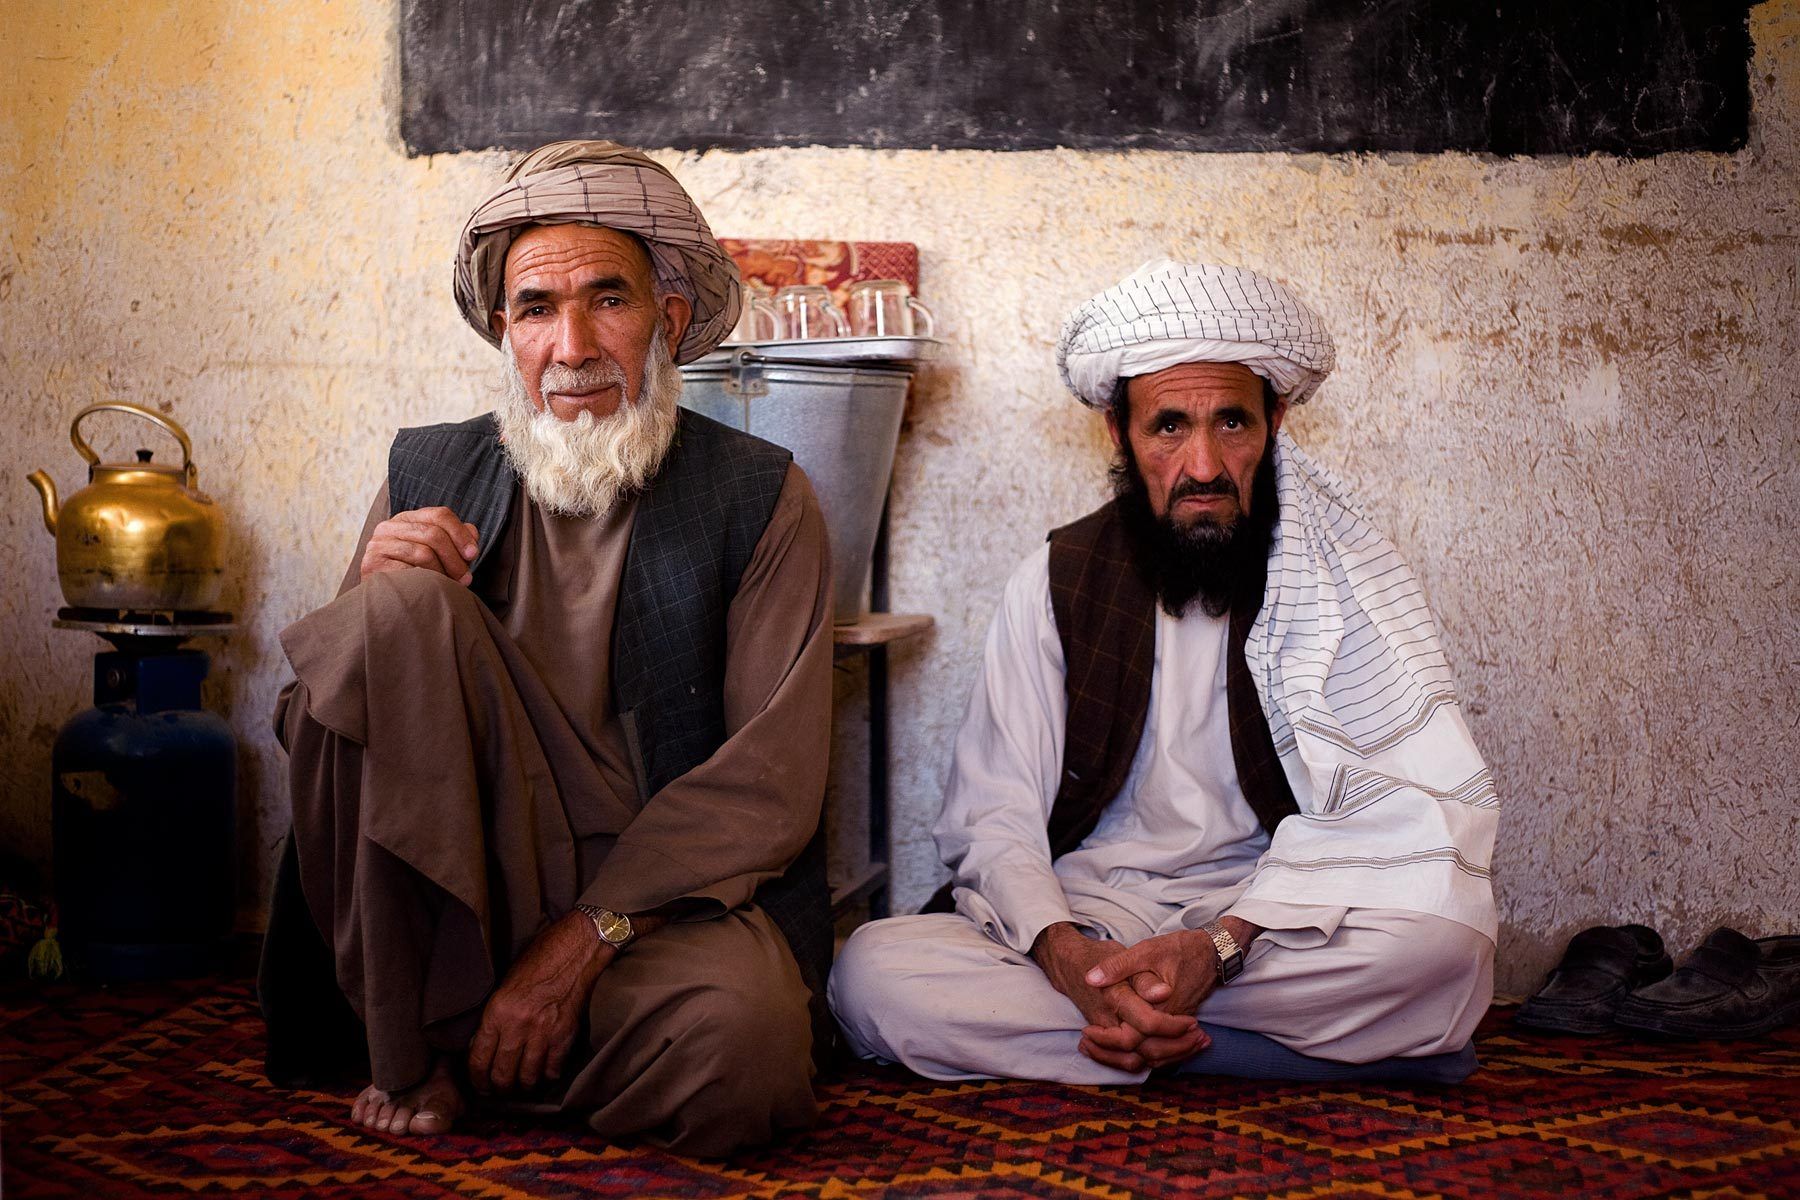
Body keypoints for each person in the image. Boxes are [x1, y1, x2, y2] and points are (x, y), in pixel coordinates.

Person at [257, 140, 834, 1155]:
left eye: (607, 300)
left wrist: (582, 944)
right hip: (456, 882)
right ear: (503, 333)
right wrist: (371, 595)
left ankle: (476, 1041)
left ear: (672, 320)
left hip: (647, 902)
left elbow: (766, 782)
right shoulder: (428, 470)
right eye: (535, 309)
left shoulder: (760, 495)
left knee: (742, 1050)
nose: (571, 346)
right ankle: (423, 1048)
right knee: (399, 614)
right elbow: (314, 730)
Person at [829, 260, 1498, 1085]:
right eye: (1170, 427)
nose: (1206, 467)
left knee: (1445, 949)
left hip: (1275, 911)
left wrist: (1221, 946)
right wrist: (1068, 958)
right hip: (1098, 910)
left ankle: (1120, 1039)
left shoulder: (1339, 577)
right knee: (871, 971)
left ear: (1275, 421)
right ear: (1120, 432)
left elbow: (1404, 812)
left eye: (1233, 425)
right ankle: (1254, 1053)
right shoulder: (1056, 578)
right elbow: (994, 814)